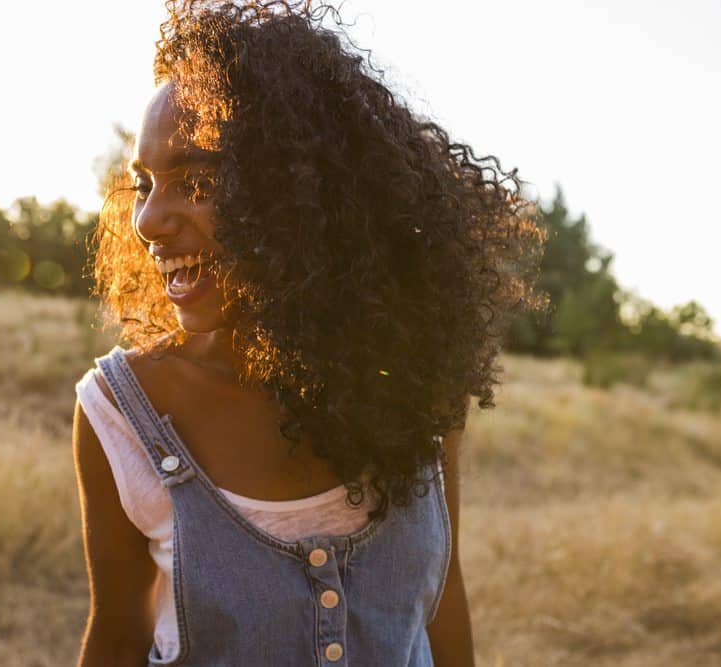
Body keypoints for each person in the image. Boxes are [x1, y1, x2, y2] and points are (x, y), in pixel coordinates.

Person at [72, 1, 543, 665]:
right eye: (145, 184)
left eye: (196, 180)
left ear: (308, 194)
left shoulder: (414, 385)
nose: (148, 220)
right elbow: (117, 634)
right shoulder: (122, 413)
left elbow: (442, 598)